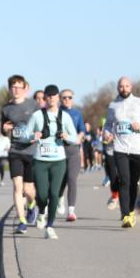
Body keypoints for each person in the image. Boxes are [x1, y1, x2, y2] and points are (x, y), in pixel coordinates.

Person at [24, 84, 80, 239]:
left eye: (54, 96)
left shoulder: (65, 116)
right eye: (48, 96)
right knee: (42, 195)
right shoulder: (37, 116)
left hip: (59, 160)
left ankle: (50, 226)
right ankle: (41, 212)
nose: (51, 99)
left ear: (58, 98)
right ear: (45, 98)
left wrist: (66, 137)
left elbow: (75, 138)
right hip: (40, 161)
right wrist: (32, 136)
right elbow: (24, 135)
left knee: (54, 194)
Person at [103, 76, 140, 228]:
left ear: (131, 87)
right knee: (124, 180)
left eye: (127, 86)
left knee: (133, 182)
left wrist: (139, 126)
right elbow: (108, 125)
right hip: (120, 148)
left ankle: (131, 210)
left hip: (137, 149)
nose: (124, 89)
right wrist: (107, 133)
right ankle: (125, 215)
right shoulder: (113, 106)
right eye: (121, 86)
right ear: (117, 88)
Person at [2, 76, 40, 234]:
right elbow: (3, 130)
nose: (16, 90)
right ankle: (22, 221)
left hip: (31, 151)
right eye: (13, 87)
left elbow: (42, 124)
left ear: (25, 88)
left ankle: (31, 206)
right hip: (15, 151)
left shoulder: (34, 105)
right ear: (9, 89)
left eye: (19, 87)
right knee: (17, 187)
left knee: (29, 190)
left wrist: (39, 133)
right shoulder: (6, 109)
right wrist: (4, 128)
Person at [58, 88, 86, 222]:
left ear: (73, 99)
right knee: (60, 181)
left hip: (73, 150)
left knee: (72, 178)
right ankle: (59, 198)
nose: (67, 100)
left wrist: (77, 138)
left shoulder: (77, 114)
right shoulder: (56, 113)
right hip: (58, 150)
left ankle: (71, 211)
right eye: (64, 97)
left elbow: (82, 131)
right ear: (60, 99)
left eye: (69, 97)